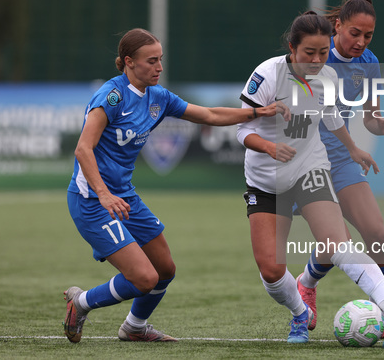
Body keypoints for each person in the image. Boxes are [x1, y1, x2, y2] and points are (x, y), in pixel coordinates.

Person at [63, 28, 281, 343]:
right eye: (151, 61)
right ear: (129, 62)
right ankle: (80, 303)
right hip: (92, 200)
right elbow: (83, 149)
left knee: (165, 269)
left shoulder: (158, 97)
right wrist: (104, 194)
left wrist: (257, 112)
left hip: (124, 197)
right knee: (144, 278)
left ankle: (134, 327)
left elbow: (208, 114)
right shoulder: (111, 97)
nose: (159, 67)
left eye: (160, 59)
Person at [237, 11, 384, 347]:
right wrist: (269, 146)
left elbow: (333, 117)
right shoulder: (267, 74)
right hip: (266, 182)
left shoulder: (326, 78)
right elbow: (243, 128)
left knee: (340, 244)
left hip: (311, 170)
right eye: (309, 53)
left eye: (322, 53)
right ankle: (299, 313)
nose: (317, 60)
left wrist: (353, 150)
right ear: (292, 48)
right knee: (272, 272)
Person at [294, 0, 384, 339]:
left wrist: (380, 125)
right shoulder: (316, 54)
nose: (360, 42)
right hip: (306, 160)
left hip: (341, 159)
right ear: (337, 25)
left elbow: (369, 118)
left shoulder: (369, 62)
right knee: (337, 239)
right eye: (355, 32)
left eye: (368, 36)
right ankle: (305, 285)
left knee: (377, 234)